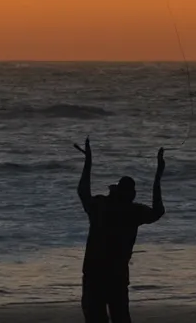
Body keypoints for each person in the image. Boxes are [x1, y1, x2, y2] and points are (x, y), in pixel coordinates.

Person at [75, 136, 166, 323]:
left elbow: (82, 191)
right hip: (116, 275)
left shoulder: (100, 206)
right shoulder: (133, 212)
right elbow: (158, 211)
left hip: (94, 274)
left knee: (95, 318)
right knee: (120, 317)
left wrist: (88, 162)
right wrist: (158, 176)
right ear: (130, 194)